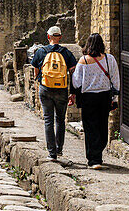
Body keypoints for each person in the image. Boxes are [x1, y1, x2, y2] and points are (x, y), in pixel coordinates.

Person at [72, 33, 120, 169]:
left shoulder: (83, 61)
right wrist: (115, 99)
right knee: (102, 126)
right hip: (104, 97)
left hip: (88, 98)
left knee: (90, 128)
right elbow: (116, 81)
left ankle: (93, 159)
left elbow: (76, 83)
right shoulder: (110, 59)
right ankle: (98, 154)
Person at [30, 25, 77, 162]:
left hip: (45, 89)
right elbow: (73, 73)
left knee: (48, 120)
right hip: (62, 89)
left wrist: (41, 83)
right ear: (60, 37)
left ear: (48, 37)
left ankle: (51, 153)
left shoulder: (41, 52)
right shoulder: (66, 53)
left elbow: (36, 72)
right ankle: (59, 148)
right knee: (60, 120)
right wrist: (72, 92)